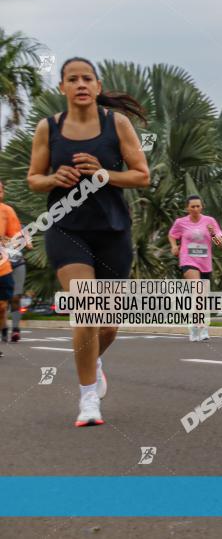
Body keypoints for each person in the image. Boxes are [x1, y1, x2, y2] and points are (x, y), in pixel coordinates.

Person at [27, 57, 150, 426]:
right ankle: (87, 400)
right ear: (62, 88)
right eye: (72, 79)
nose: (80, 84)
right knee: (86, 307)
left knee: (107, 325)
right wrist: (53, 180)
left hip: (112, 229)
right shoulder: (48, 128)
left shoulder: (118, 124)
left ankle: (93, 359)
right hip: (66, 227)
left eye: (87, 78)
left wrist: (102, 173)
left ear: (97, 87)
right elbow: (34, 177)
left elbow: (141, 176)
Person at [169, 195, 222, 341]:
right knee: (197, 290)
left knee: (202, 297)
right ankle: (197, 326)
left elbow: (219, 243)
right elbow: (172, 235)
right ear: (187, 208)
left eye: (198, 206)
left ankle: (200, 326)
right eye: (192, 206)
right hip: (188, 260)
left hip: (205, 263)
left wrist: (212, 233)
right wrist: (174, 246)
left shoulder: (210, 221)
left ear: (202, 207)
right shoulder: (181, 222)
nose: (195, 209)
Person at [0, 186, 23, 348]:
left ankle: (11, 329)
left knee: (7, 302)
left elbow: (16, 238)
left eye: (1, 189)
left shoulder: (7, 212)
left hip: (8, 265)